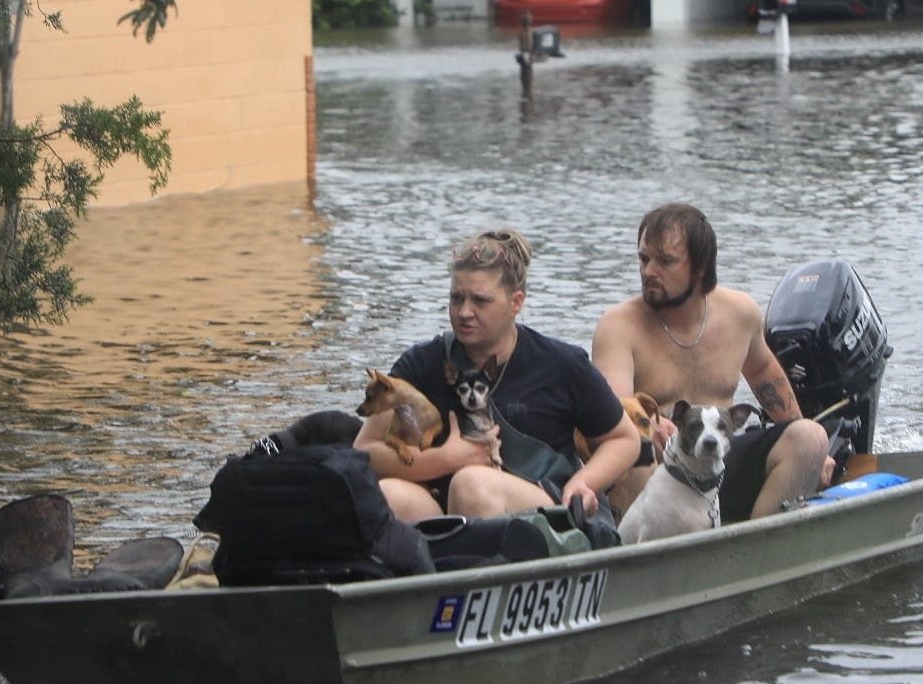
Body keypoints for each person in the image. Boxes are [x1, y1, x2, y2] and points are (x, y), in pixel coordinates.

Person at [355, 228, 639, 524]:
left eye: (480, 301)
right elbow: (365, 451)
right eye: (456, 298)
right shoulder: (420, 364)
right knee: (388, 495)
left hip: (542, 505)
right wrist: (442, 460)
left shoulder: (562, 363)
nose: (464, 312)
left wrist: (583, 482)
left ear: (516, 302)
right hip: (445, 509)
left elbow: (623, 439)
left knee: (472, 485)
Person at [591, 202, 831, 521]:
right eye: (644, 259)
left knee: (810, 436)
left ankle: (758, 553)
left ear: (700, 266)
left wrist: (817, 456)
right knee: (635, 451)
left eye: (665, 261)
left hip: (722, 464)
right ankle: (652, 562)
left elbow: (764, 375)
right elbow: (615, 407)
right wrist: (651, 426)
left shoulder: (740, 312)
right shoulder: (618, 325)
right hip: (661, 478)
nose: (649, 271)